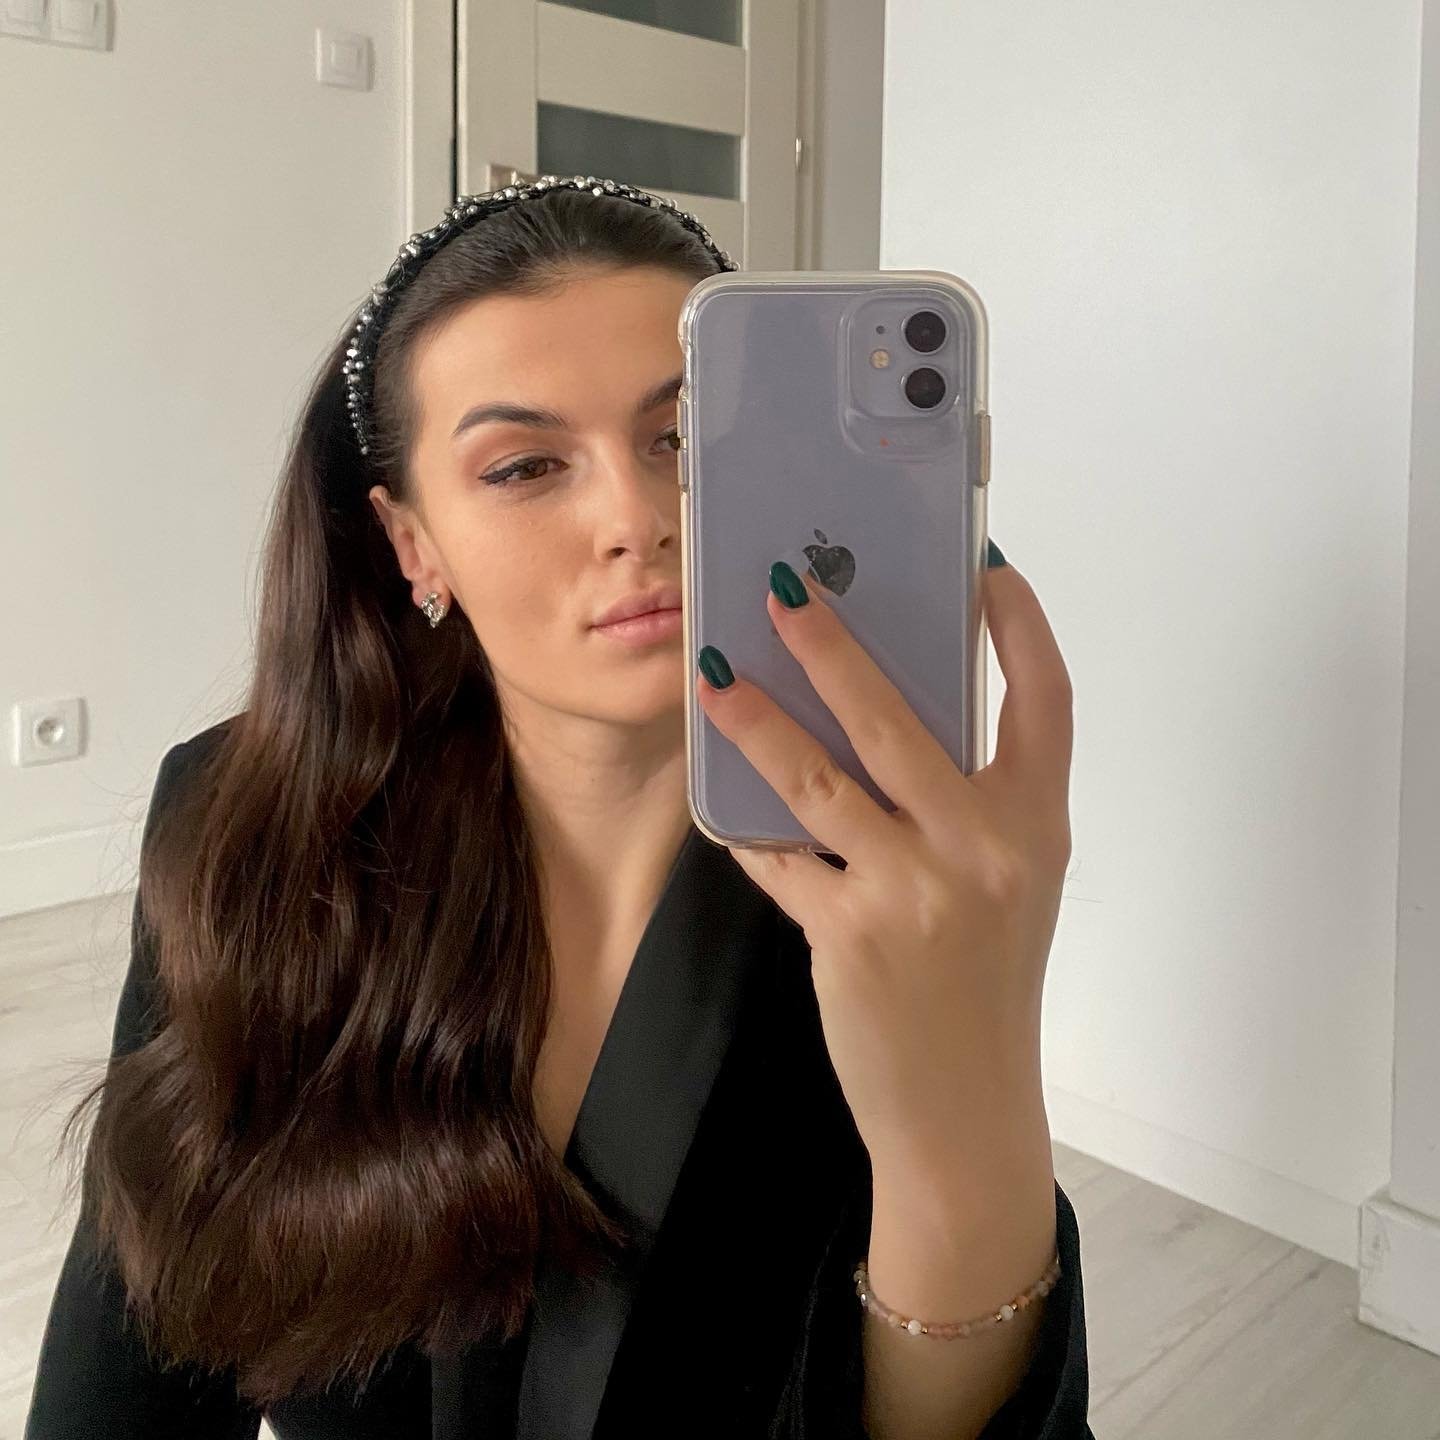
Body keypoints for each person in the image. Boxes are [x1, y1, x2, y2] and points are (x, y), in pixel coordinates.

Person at [24, 176, 1092, 1440]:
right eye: (525, 466)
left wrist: (965, 1138)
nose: (637, 521)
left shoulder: (897, 891)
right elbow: (143, 1328)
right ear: (412, 544)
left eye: (683, 442)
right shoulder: (242, 827)